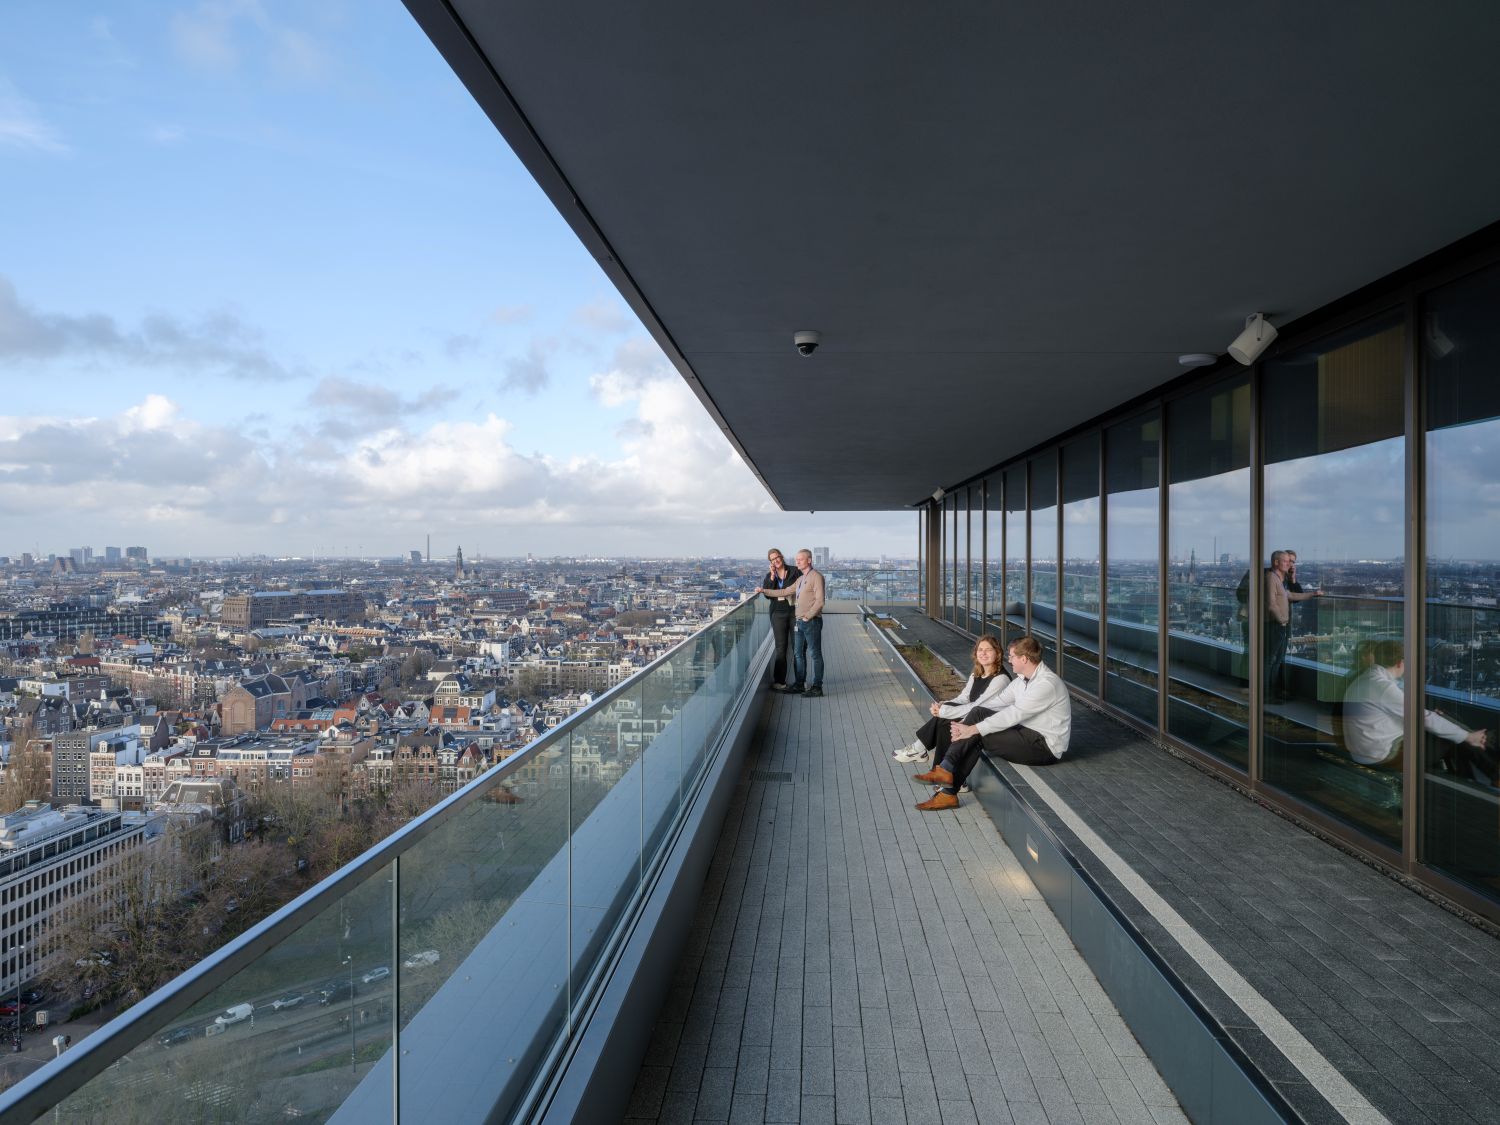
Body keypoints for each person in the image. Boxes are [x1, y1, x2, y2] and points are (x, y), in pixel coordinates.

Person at [912, 635, 1071, 810]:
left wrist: (972, 729)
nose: (1009, 661)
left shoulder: (1046, 684)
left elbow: (1013, 714)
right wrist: (965, 723)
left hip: (1043, 747)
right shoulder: (1020, 681)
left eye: (1011, 656)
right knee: (978, 713)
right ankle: (945, 774)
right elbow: (995, 703)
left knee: (978, 735)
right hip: (1024, 734)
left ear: (1024, 659)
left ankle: (946, 784)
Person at [1342, 640, 1490, 773]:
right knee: (1450, 737)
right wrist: (1467, 736)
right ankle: (1485, 771)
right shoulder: (1382, 687)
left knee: (1447, 726)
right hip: (1383, 755)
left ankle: (1481, 770)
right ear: (1400, 663)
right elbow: (1423, 719)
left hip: (1363, 751)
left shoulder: (1365, 679)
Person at [893, 635, 1010, 771]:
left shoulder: (1001, 679)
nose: (983, 653)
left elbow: (978, 706)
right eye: (980, 650)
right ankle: (941, 771)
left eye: (988, 650)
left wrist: (943, 712)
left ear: (997, 653)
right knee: (945, 720)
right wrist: (943, 705)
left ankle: (921, 751)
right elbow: (964, 698)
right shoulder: (977, 674)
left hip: (988, 723)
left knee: (945, 719)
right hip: (973, 716)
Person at [755, 548, 826, 696]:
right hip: (798, 621)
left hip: (809, 621)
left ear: (809, 560)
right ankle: (799, 684)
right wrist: (764, 590)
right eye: (796, 559)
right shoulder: (800, 579)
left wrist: (808, 616)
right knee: (798, 653)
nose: (797, 562)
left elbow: (820, 601)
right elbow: (784, 592)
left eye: (800, 559)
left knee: (814, 654)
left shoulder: (816, 577)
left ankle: (817, 687)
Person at [1264, 550, 1322, 701]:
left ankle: (1272, 692)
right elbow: (1271, 604)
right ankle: (1266, 693)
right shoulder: (1271, 578)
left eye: (1291, 562)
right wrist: (1282, 619)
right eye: (1285, 561)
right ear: (1276, 562)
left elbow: (1290, 595)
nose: (1289, 564)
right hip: (1276, 624)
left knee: (1275, 660)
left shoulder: (1278, 578)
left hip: (1279, 625)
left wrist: (1312, 594)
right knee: (1271, 660)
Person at [760, 548, 799, 690]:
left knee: (797, 647)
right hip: (778, 613)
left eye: (777, 557)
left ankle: (799, 681)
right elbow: (767, 595)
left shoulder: (795, 571)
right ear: (770, 562)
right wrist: (772, 576)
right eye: (772, 559)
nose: (775, 561)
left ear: (781, 557)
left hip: (794, 611)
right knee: (781, 648)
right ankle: (779, 681)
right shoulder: (769, 576)